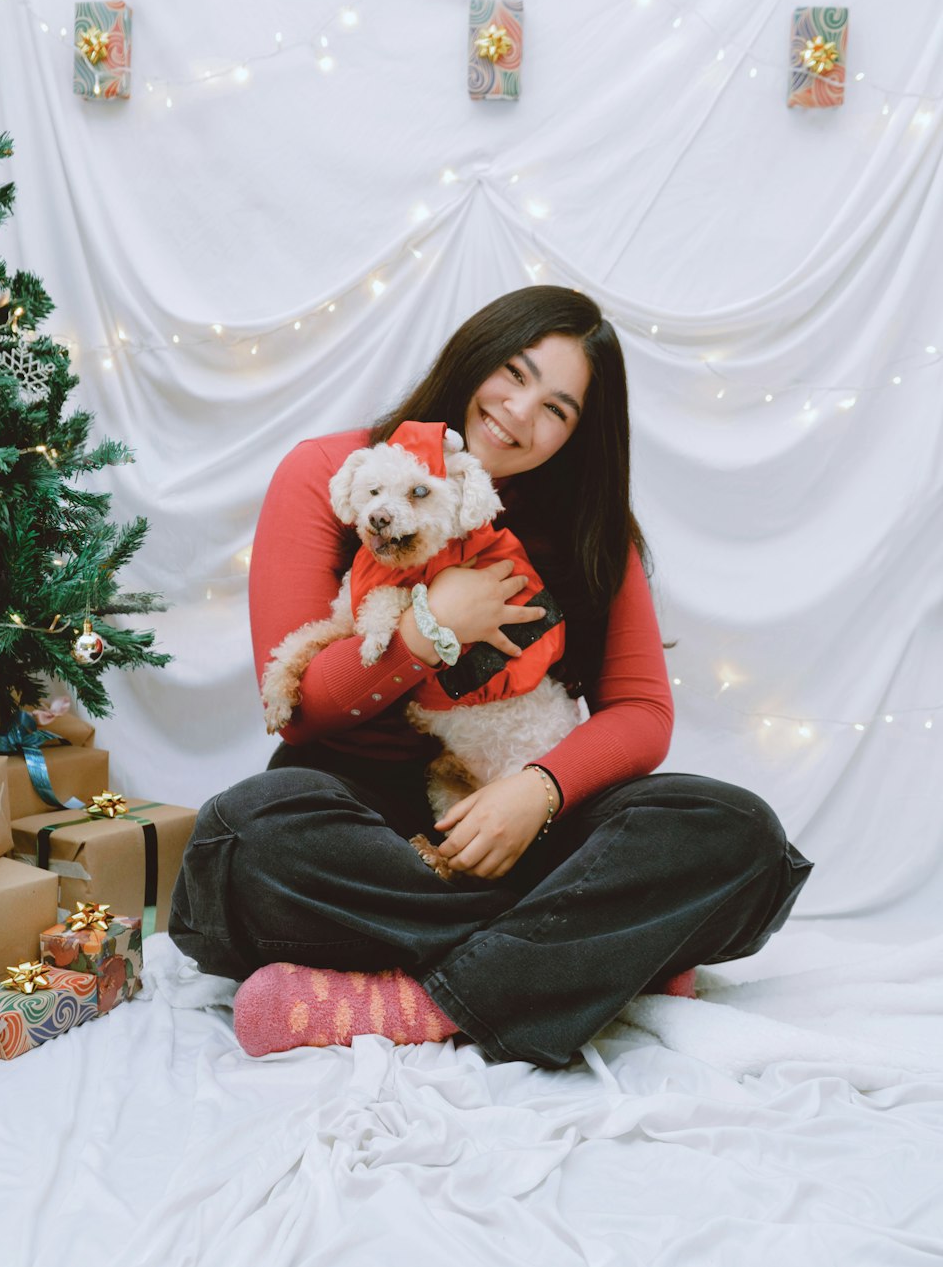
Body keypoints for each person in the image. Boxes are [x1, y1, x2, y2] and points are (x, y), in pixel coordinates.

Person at [169, 286, 812, 1068]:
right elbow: (299, 712)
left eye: (557, 409)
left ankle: (421, 1004)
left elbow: (641, 712)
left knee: (743, 837)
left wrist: (534, 792)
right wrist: (431, 629)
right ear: (475, 354)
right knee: (242, 839)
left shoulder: (587, 524)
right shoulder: (334, 472)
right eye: (514, 372)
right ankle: (598, 950)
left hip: (526, 817)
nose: (519, 411)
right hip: (359, 822)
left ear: (576, 436)